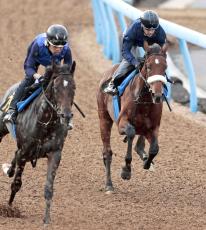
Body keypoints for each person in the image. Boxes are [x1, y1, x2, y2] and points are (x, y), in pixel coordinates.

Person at [3, 24, 74, 129]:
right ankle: (12, 110)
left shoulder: (66, 49)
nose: (58, 49)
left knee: (64, 87)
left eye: (61, 47)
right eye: (55, 46)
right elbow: (28, 66)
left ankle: (67, 116)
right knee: (29, 79)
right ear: (48, 43)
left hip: (55, 63)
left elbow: (68, 69)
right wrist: (37, 76)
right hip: (38, 58)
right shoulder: (38, 45)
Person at [104, 10, 167, 95]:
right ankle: (113, 83)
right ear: (142, 25)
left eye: (153, 30)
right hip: (133, 40)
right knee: (128, 62)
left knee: (157, 63)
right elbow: (125, 52)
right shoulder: (133, 30)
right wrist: (134, 62)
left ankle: (163, 88)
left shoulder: (160, 32)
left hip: (149, 42)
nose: (151, 32)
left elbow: (161, 52)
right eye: (148, 29)